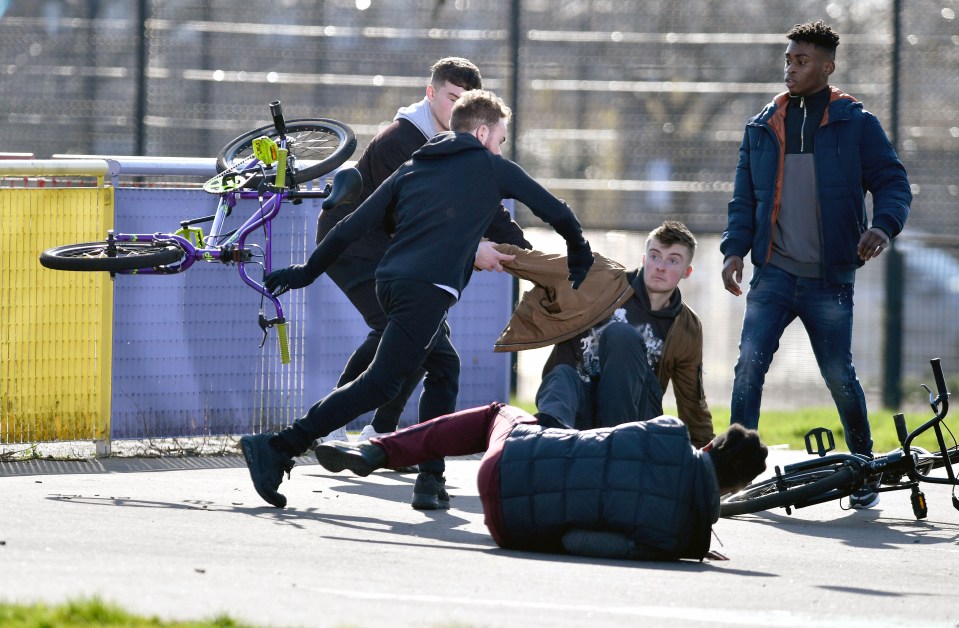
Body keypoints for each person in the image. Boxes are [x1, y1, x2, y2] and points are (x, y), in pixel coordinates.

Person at [240, 89, 594, 509]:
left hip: (390, 282)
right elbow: (557, 211)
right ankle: (279, 446)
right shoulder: (491, 167)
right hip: (425, 291)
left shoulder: (415, 165)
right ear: (482, 133)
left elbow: (351, 226)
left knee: (444, 367)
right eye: (500, 138)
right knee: (380, 383)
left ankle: (430, 480)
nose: (500, 146)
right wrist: (580, 254)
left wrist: (305, 272)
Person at [720, 20, 911, 509]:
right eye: (788, 59)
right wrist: (733, 251)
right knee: (748, 370)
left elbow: (893, 182)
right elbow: (744, 200)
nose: (791, 67)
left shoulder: (856, 123)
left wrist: (882, 227)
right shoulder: (762, 125)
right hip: (774, 274)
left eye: (801, 60)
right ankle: (734, 473)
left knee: (838, 374)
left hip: (829, 279)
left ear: (828, 66)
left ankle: (865, 468)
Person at [316, 57, 529, 444]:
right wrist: (472, 250)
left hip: (396, 254)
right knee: (404, 332)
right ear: (430, 93)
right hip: (355, 248)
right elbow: (413, 221)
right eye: (451, 97)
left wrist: (529, 255)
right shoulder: (400, 140)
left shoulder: (464, 145)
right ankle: (333, 426)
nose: (457, 108)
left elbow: (489, 206)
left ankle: (377, 431)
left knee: (422, 334)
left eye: (467, 100)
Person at [313, 403, 767, 561]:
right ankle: (379, 450)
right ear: (732, 491)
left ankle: (378, 449)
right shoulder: (672, 540)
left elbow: (599, 443)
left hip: (512, 456)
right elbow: (575, 539)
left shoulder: (668, 429)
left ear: (710, 447)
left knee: (496, 414)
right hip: (508, 524)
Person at [491, 220, 713, 447]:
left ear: (687, 271)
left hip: (634, 419)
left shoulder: (687, 326)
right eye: (655, 256)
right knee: (561, 376)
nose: (661, 266)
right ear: (644, 259)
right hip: (580, 405)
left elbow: (692, 400)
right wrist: (472, 249)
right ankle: (548, 443)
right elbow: (534, 262)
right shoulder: (599, 275)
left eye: (673, 260)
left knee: (620, 335)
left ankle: (616, 448)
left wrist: (708, 460)